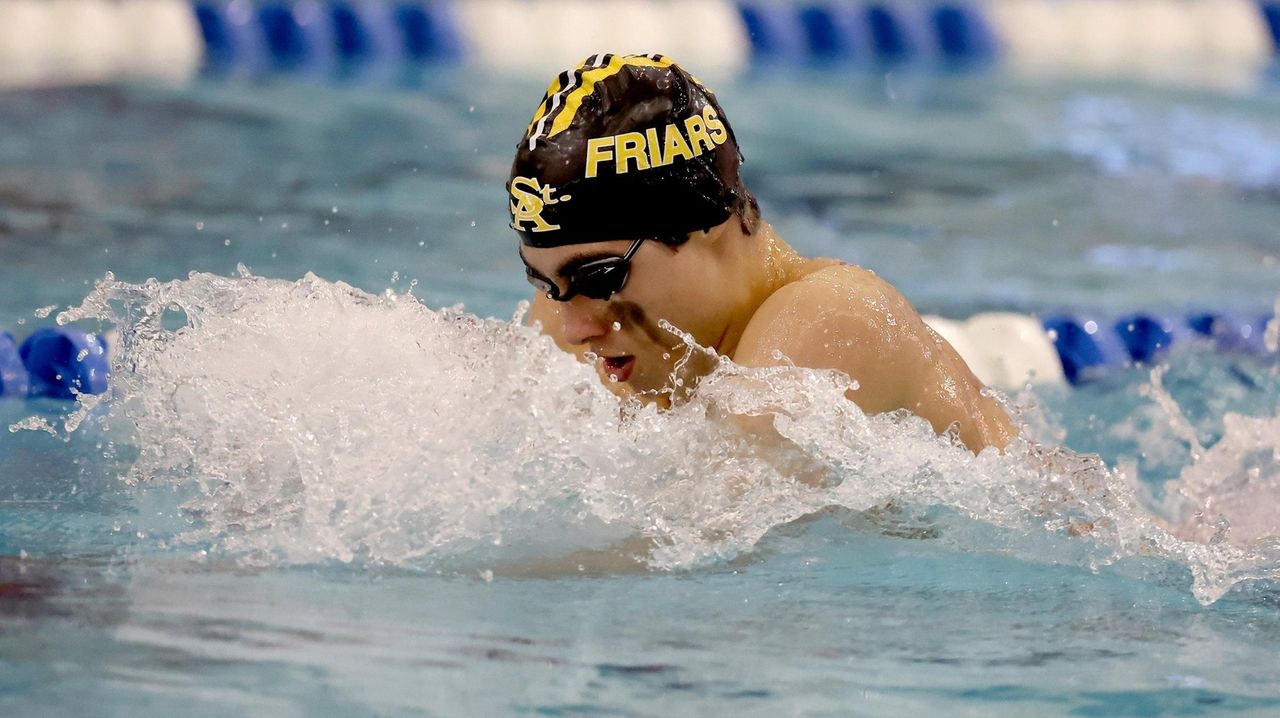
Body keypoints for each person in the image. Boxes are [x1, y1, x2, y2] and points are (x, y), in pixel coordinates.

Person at [509, 53, 1014, 453]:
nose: (575, 328)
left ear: (701, 223)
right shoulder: (573, 319)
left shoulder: (829, 320)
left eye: (601, 278)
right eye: (546, 284)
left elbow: (701, 557)